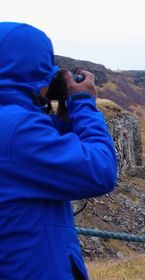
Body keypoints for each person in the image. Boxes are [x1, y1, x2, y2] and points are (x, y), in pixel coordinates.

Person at [0, 22, 117, 279]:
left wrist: (63, 120)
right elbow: (101, 170)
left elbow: (28, 165)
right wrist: (84, 105)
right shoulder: (16, 129)